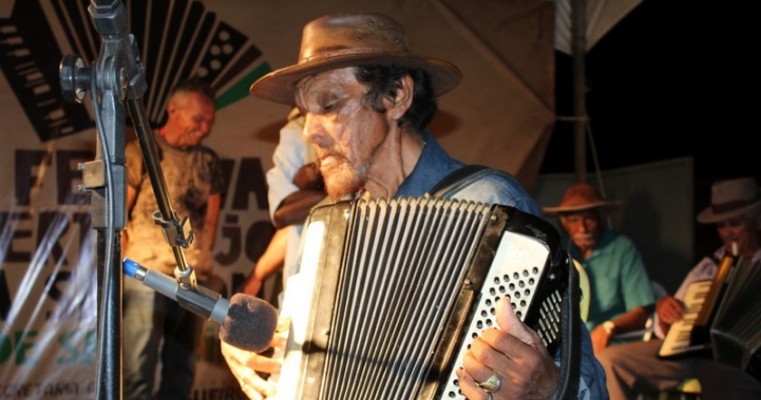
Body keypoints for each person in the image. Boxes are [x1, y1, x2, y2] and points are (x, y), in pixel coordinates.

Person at [221, 12, 607, 399]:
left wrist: (546, 389)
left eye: (329, 105)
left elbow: (589, 385)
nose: (310, 133)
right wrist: (257, 353)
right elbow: (293, 347)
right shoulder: (325, 227)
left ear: (396, 96)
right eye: (305, 114)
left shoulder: (493, 207)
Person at [597, 176, 761, 399]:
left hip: (738, 361)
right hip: (686, 353)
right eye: (721, 225)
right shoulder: (708, 268)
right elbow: (666, 327)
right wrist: (665, 311)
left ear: (756, 220)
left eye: (735, 223)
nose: (727, 232)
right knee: (610, 361)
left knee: (726, 380)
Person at [122, 78, 225, 399]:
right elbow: (118, 217)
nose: (204, 128)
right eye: (198, 119)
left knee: (180, 371)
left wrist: (205, 263)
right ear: (173, 110)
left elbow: (210, 221)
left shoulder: (207, 161)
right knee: (137, 370)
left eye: (210, 122)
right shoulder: (142, 150)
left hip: (191, 278)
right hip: (145, 275)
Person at [543, 182, 655, 355]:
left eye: (589, 218)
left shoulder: (622, 248)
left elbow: (640, 313)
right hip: (566, 346)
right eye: (574, 220)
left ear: (600, 218)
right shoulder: (559, 250)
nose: (583, 228)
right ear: (564, 223)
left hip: (611, 344)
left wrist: (609, 328)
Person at [239, 109, 326, 297]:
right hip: (305, 288)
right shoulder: (296, 130)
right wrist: (257, 275)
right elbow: (286, 217)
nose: (310, 131)